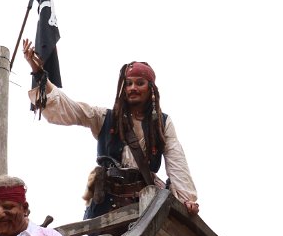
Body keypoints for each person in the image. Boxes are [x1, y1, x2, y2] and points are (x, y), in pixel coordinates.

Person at [23, 39, 199, 221]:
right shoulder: (104, 117)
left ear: (151, 89)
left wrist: (186, 199)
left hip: (146, 201)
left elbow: (176, 159)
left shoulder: (162, 123)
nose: (133, 88)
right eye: (128, 83)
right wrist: (39, 73)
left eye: (139, 83)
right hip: (107, 202)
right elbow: (70, 109)